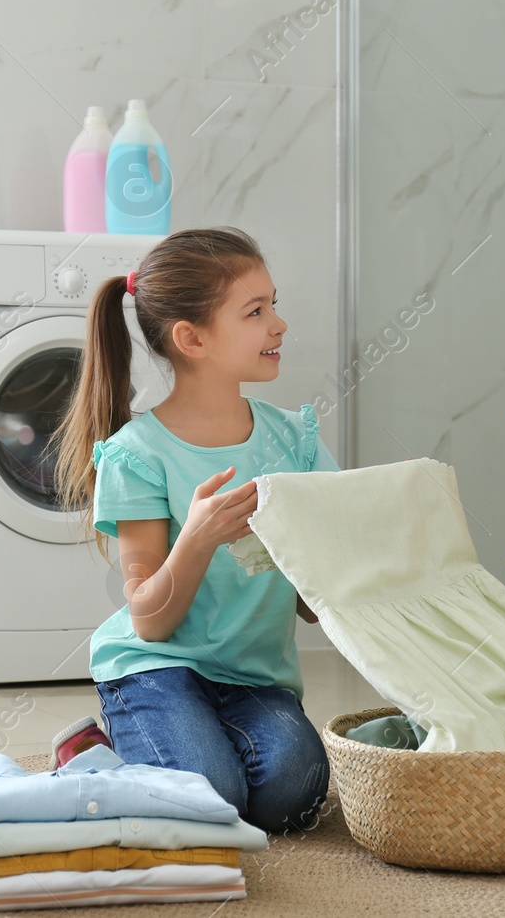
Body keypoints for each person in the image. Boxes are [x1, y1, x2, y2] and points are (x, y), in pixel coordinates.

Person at [51, 226, 335, 836]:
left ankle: (158, 752)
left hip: (256, 679)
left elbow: (318, 607)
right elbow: (150, 619)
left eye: (274, 305)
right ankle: (96, 754)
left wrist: (324, 554)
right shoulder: (138, 455)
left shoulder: (297, 441)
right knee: (210, 798)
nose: (279, 324)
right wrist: (199, 538)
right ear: (192, 338)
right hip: (157, 666)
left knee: (297, 793)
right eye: (256, 311)